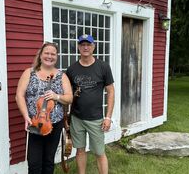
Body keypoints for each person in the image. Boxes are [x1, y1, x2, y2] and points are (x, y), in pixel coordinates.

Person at [16, 42, 73, 174]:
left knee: (48, 161)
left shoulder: (61, 76)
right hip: (34, 123)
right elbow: (19, 96)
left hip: (55, 124)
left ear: (56, 57)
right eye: (46, 53)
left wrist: (56, 96)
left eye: (53, 54)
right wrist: (26, 116)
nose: (49, 56)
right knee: (34, 163)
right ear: (40, 55)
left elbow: (69, 98)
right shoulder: (29, 73)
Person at [66, 34, 115, 174]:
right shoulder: (72, 69)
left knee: (99, 152)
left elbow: (111, 92)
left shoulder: (103, 67)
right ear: (78, 47)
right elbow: (68, 94)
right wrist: (67, 118)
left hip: (96, 119)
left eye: (88, 44)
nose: (85, 47)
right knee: (80, 150)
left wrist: (108, 117)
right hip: (77, 118)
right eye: (82, 44)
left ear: (94, 47)